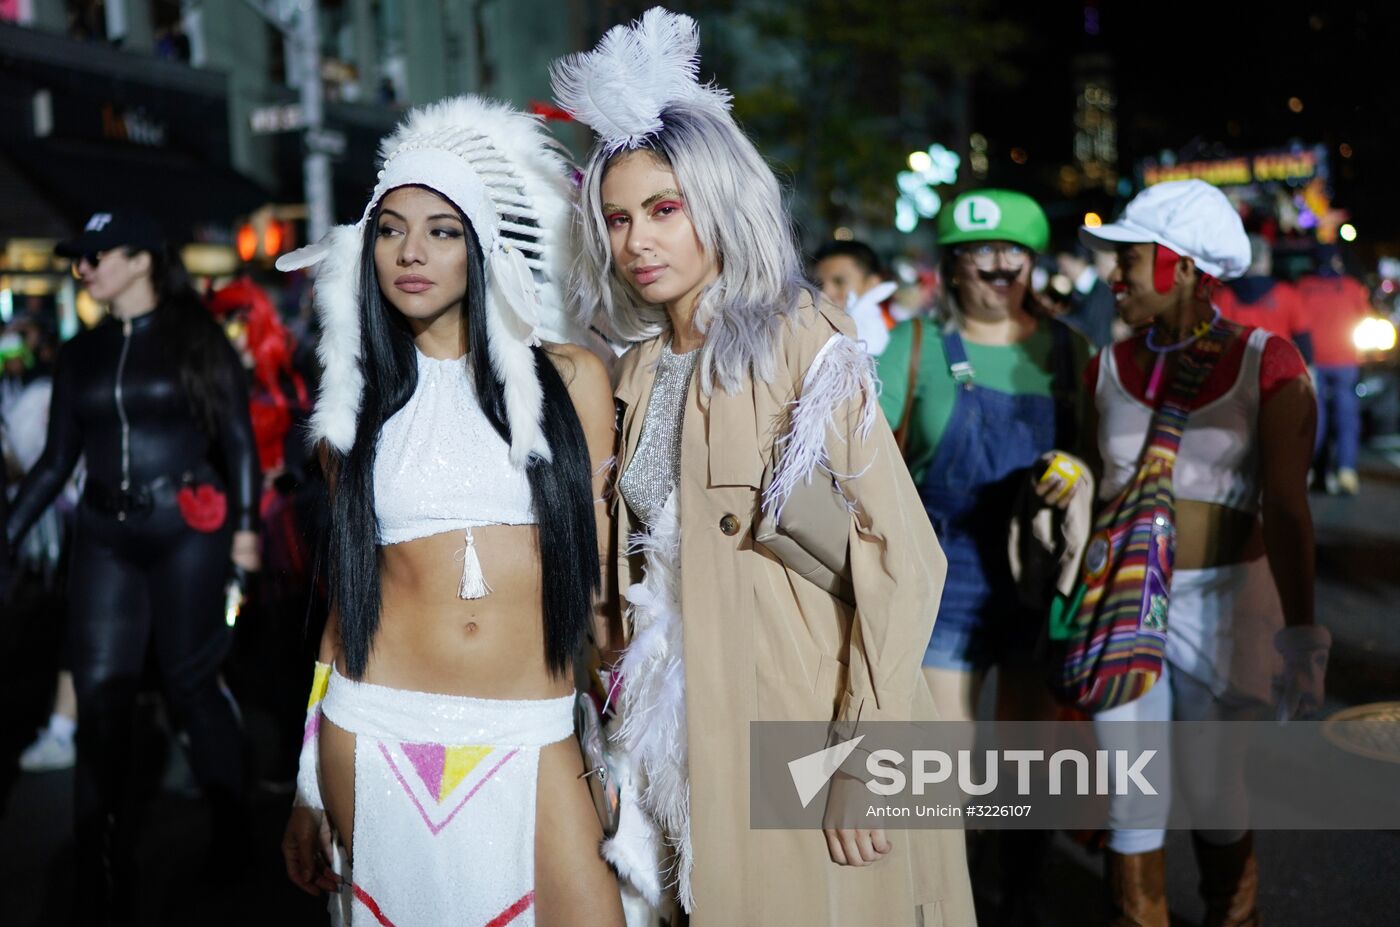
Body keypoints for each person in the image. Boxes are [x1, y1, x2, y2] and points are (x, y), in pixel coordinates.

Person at [553, 9, 975, 925]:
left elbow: (905, 556)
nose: (637, 242)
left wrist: (864, 748)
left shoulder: (796, 342)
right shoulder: (630, 368)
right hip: (680, 738)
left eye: (664, 211)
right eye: (619, 218)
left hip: (806, 720)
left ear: (718, 203)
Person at [276, 95, 624, 927]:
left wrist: (622, 741)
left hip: (533, 730)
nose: (412, 252)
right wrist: (301, 782)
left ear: (483, 247)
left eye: (441, 230)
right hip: (379, 725)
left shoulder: (570, 379)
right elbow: (349, 605)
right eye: (391, 229)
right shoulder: (351, 416)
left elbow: (607, 584)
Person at [1079, 180, 1326, 926]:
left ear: (1182, 266)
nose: (1114, 275)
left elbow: (1286, 509)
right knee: (1133, 793)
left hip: (1228, 605)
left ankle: (1233, 915)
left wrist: (1303, 633)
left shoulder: (1270, 363)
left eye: (1130, 258)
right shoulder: (1103, 366)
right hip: (1123, 606)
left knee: (1216, 792)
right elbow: (1086, 482)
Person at [4, 210, 262, 921]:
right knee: (100, 693)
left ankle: (233, 829)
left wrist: (244, 531)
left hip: (187, 528)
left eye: (95, 255)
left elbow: (238, 439)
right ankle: (98, 859)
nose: (82, 268)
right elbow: (56, 460)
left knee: (189, 679)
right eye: (77, 259)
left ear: (143, 258)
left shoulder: (195, 335)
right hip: (106, 533)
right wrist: (11, 527)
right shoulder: (79, 353)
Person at [878, 187, 1093, 924]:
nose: (998, 266)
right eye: (980, 253)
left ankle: (1025, 896)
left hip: (1038, 571)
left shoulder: (1068, 348)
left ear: (1032, 263)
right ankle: (951, 901)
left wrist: (1076, 480)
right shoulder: (912, 347)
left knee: (1027, 759)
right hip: (946, 570)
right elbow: (869, 464)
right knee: (951, 771)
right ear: (952, 265)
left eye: (1013, 253)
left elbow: (1098, 454)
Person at [1297, 247, 1372, 495]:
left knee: (1314, 417)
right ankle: (1345, 470)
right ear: (1337, 262)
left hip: (1313, 362)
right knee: (1346, 416)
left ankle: (1307, 469)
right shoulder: (1350, 287)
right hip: (1345, 360)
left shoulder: (1303, 287)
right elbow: (1365, 319)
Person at [1214, 234, 1313, 363]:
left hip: (1236, 369)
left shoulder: (1223, 296)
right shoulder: (1287, 294)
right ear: (1266, 259)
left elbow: (1215, 338)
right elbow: (1303, 343)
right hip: (1276, 367)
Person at [812, 238, 899, 355]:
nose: (825, 293)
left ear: (872, 284)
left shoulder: (894, 346)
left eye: (839, 281)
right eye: (818, 284)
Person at [1056, 243, 1118, 349]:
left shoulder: (1103, 291)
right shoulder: (1076, 291)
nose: (1061, 271)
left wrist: (1056, 317)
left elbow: (1096, 330)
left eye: (1063, 265)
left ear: (1079, 260)